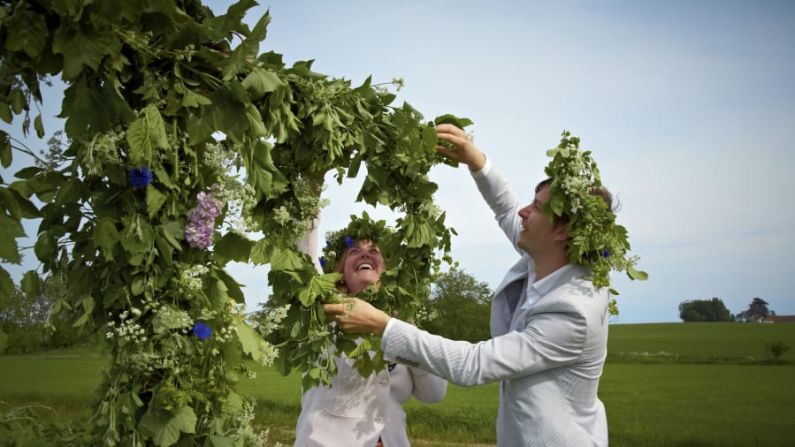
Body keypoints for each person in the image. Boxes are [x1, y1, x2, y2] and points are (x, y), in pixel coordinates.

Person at [324, 124, 614, 446]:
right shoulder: (549, 257)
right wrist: (477, 162)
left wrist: (383, 325)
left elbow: (473, 364)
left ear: (561, 232)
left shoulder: (574, 312)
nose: (523, 211)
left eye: (537, 208)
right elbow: (506, 208)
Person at [293, 220, 448, 447]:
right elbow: (304, 253)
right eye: (354, 251)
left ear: (385, 269)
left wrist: (405, 331)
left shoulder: (401, 325)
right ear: (341, 272)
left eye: (374, 251)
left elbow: (434, 394)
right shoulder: (322, 311)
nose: (365, 255)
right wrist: (312, 195)